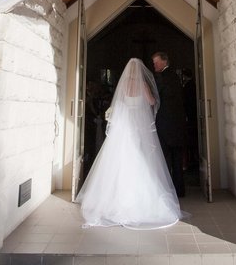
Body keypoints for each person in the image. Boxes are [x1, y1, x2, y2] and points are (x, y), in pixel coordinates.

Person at [76, 58, 181, 229]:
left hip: (124, 126)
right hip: (138, 126)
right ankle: (139, 201)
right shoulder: (143, 85)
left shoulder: (123, 85)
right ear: (140, 72)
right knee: (140, 158)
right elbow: (152, 102)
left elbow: (119, 103)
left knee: (120, 160)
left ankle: (113, 200)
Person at [152, 52, 186, 198]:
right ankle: (179, 190)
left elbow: (155, 99)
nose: (154, 65)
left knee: (165, 160)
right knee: (176, 159)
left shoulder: (164, 77)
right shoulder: (174, 76)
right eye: (154, 63)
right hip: (177, 125)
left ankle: (167, 191)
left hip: (167, 125)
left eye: (156, 62)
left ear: (165, 61)